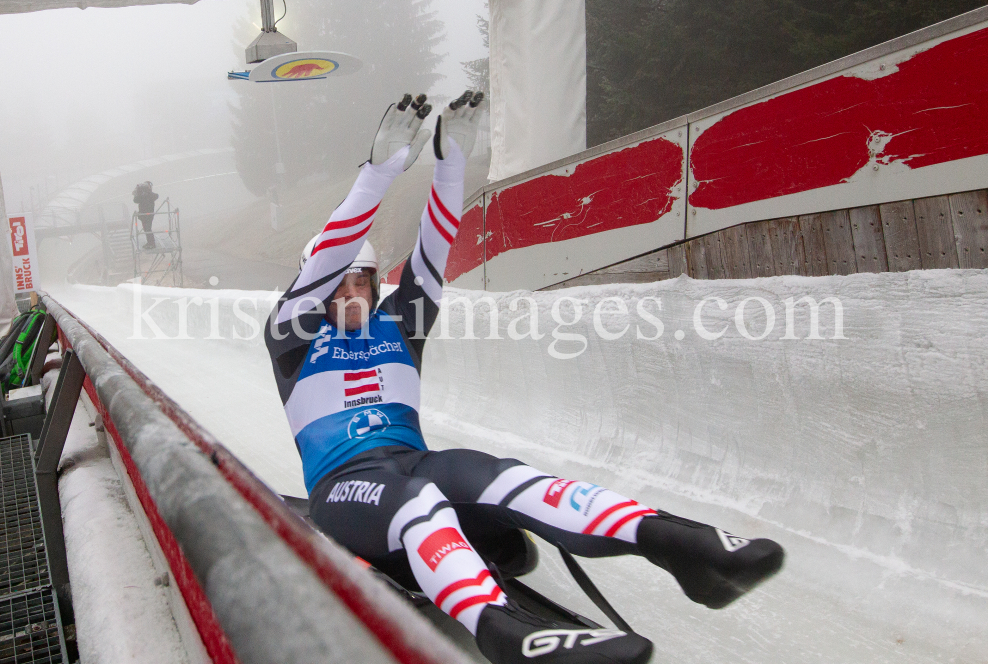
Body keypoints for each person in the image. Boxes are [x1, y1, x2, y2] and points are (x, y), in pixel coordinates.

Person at [266, 93, 784, 664]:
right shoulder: (293, 336)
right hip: (345, 485)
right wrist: (381, 173)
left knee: (501, 476)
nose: (349, 292)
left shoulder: (401, 324)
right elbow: (328, 259)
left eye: (360, 281)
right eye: (337, 284)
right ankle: (504, 633)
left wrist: (452, 165)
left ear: (375, 285)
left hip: (415, 459)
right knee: (417, 501)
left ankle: (678, 544)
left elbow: (434, 248)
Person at [132, 181, 158, 249]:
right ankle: (150, 243)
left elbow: (135, 200)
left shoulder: (145, 195)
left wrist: (139, 193)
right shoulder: (148, 195)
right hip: (147, 215)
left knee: (147, 229)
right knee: (147, 229)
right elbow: (155, 196)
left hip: (145, 215)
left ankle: (151, 243)